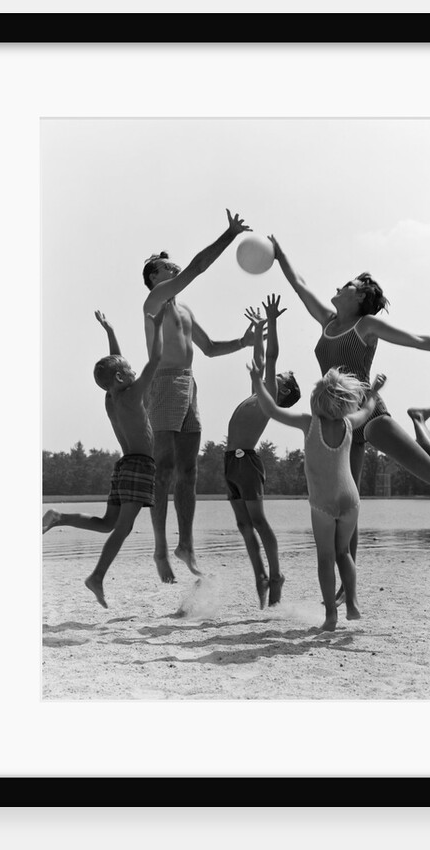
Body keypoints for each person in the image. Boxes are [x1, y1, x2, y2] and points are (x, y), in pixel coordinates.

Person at [267, 234, 430, 601]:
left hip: (369, 414)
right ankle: (350, 586)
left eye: (346, 285)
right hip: (339, 420)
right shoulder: (327, 321)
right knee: (350, 502)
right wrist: (279, 253)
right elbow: (298, 285)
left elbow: (417, 339)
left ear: (361, 296)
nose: (337, 286)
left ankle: (419, 420)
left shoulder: (365, 327)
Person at [142, 209, 257, 584]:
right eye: (166, 267)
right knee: (163, 470)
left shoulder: (186, 310)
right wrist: (229, 235)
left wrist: (245, 341)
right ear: (153, 278)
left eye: (172, 265)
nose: (173, 269)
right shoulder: (156, 300)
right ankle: (161, 547)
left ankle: (186, 545)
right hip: (163, 383)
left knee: (188, 471)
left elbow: (208, 348)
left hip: (189, 385)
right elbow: (197, 267)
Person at [42, 305, 166, 608]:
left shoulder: (111, 397)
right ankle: (96, 576)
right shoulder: (133, 394)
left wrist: (110, 332)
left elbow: (116, 367)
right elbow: (157, 360)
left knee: (108, 522)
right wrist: (158, 326)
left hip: (124, 466)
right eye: (131, 372)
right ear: (124, 377)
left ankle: (59, 517)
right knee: (122, 528)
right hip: (139, 467)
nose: (136, 373)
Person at [249, 361, 387, 631]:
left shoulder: (308, 423)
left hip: (323, 502)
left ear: (318, 400)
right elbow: (369, 409)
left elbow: (272, 409)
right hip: (351, 500)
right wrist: (375, 391)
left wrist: (256, 381)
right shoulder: (349, 423)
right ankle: (353, 603)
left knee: (326, 558)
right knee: (344, 552)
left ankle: (331, 617)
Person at [225, 294, 301, 608]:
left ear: (281, 389)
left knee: (258, 522)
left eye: (279, 377)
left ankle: (276, 575)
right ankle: (260, 576)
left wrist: (271, 321)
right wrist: (257, 330)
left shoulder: (268, 396)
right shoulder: (259, 394)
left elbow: (269, 359)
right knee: (243, 524)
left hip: (247, 463)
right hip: (230, 462)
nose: (275, 374)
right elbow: (260, 361)